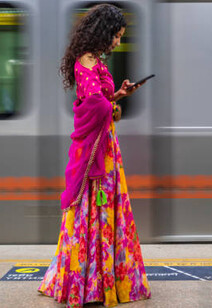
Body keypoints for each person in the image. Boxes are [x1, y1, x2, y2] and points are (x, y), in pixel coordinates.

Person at [37, 4, 151, 307]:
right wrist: (111, 106)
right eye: (116, 36)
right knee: (93, 212)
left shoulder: (94, 61)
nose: (118, 42)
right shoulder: (85, 62)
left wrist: (118, 96)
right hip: (96, 155)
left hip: (105, 148)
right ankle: (90, 284)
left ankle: (98, 280)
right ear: (105, 32)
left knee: (99, 214)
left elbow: (99, 100)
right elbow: (94, 107)